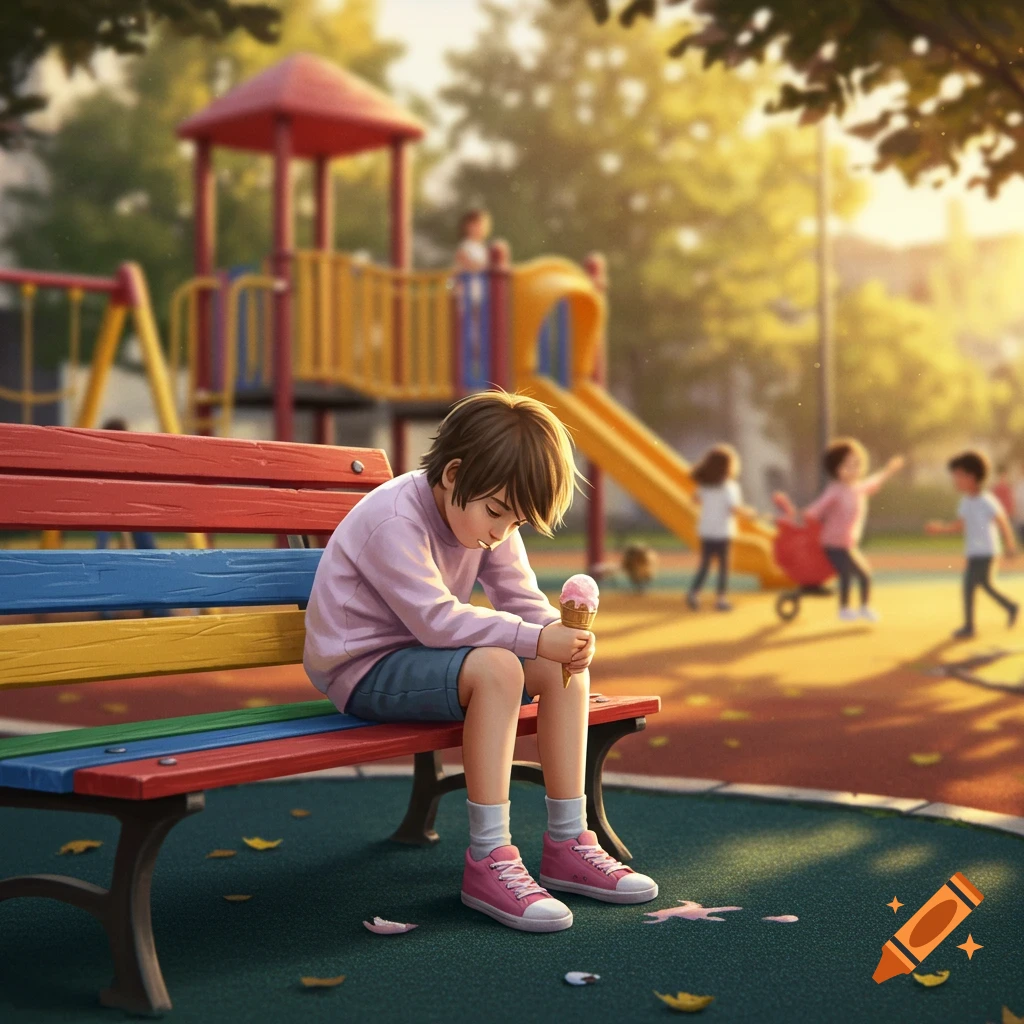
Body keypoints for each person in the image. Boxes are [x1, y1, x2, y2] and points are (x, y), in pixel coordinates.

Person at [303, 391, 658, 934]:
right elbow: (437, 621)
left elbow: (520, 601)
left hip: (429, 662)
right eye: (496, 513)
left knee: (560, 666)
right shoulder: (393, 519)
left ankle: (568, 841)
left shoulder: (489, 516)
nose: (501, 532)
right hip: (363, 667)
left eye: (516, 522)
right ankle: (488, 860)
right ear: (453, 474)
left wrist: (560, 638)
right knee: (500, 667)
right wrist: (538, 638)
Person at [802, 438, 903, 622]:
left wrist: (889, 470)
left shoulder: (857, 488)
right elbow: (818, 507)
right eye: (847, 466)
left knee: (865, 575)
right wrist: (808, 514)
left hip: (848, 544)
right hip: (833, 543)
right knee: (847, 575)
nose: (854, 469)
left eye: (857, 465)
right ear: (835, 469)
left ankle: (864, 607)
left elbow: (874, 480)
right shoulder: (835, 490)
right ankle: (844, 609)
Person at [925, 450, 1018, 640]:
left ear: (972, 476)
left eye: (958, 475)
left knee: (970, 586)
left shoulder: (986, 500)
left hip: (987, 552)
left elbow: (1002, 522)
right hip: (974, 552)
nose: (955, 480)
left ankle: (969, 626)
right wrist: (940, 529)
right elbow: (960, 526)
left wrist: (1010, 546)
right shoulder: (965, 502)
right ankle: (1010, 606)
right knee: (984, 585)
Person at [686, 443, 751, 612]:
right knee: (723, 567)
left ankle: (694, 592)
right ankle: (721, 599)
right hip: (723, 532)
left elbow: (695, 499)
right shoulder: (731, 487)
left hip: (706, 530)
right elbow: (734, 508)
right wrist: (748, 513)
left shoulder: (705, 485)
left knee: (705, 565)